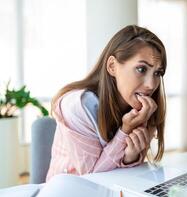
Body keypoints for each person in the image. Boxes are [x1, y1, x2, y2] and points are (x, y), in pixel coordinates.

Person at [46, 25, 167, 181]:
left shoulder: (143, 109)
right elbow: (93, 179)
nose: (151, 84)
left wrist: (129, 157)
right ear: (112, 66)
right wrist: (125, 131)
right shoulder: (78, 107)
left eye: (158, 73)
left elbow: (125, 177)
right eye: (141, 69)